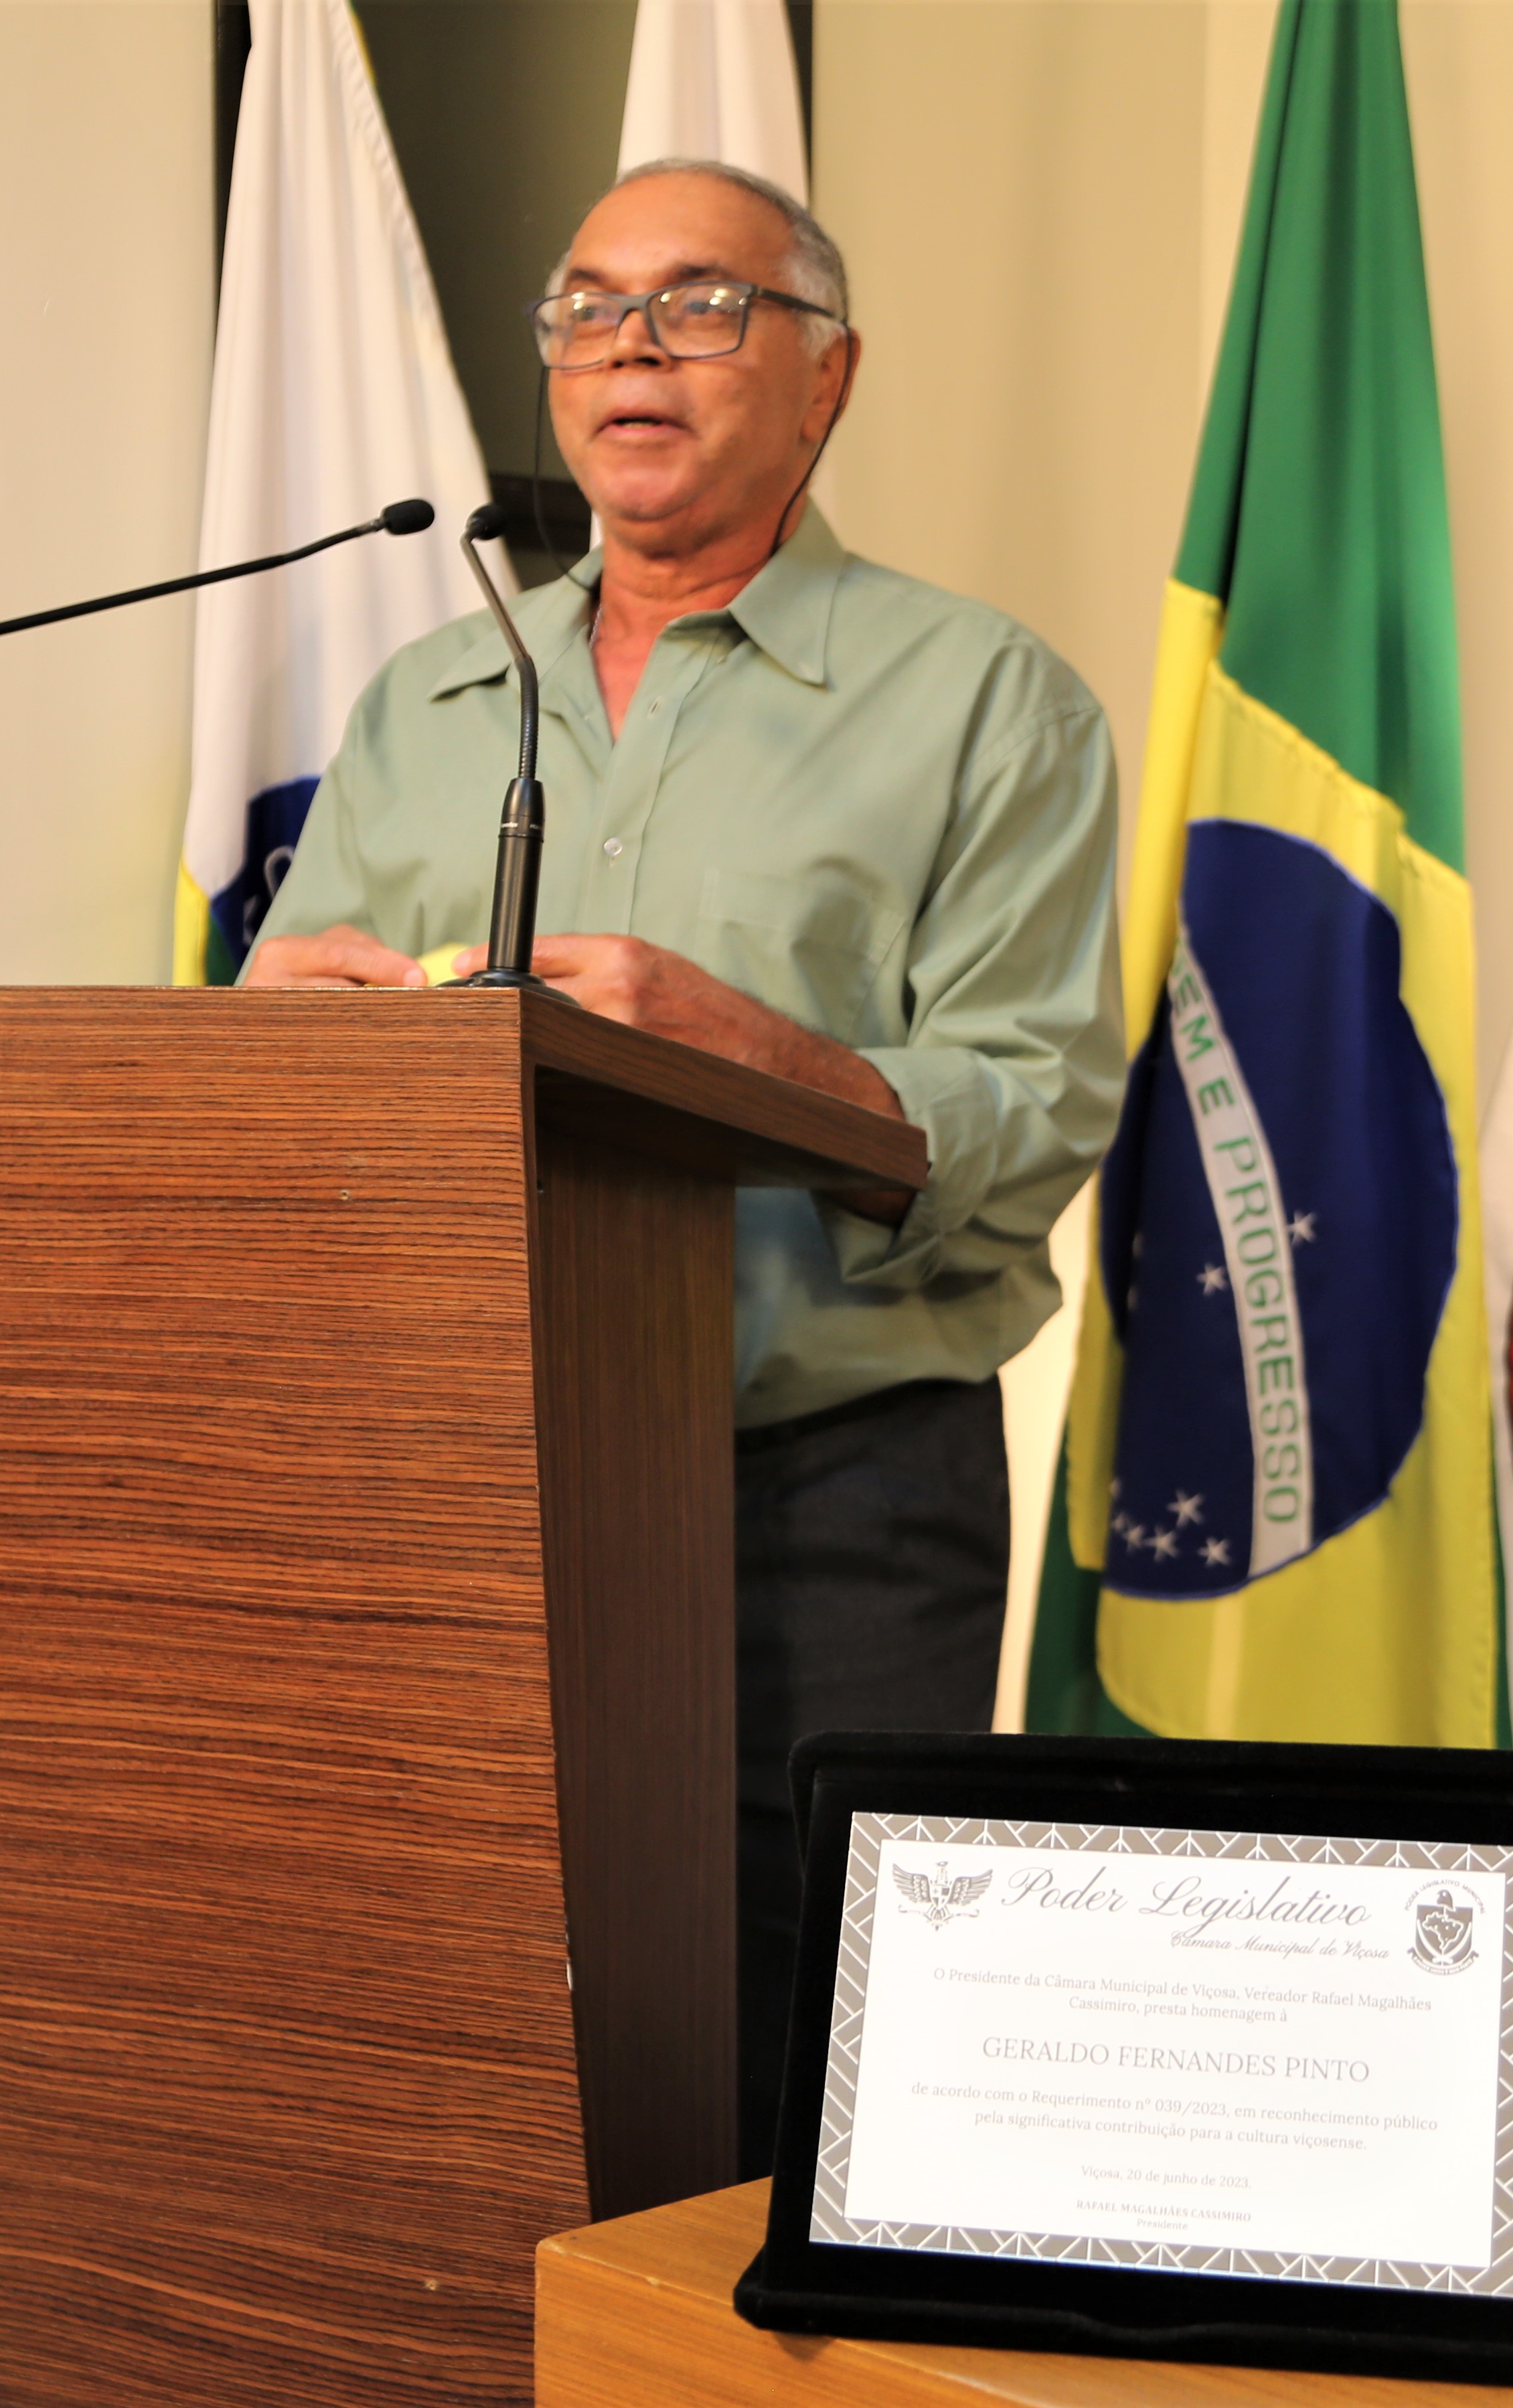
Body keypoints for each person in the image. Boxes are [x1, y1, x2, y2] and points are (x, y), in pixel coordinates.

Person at [245, 158, 1122, 2168]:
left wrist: (762, 1055)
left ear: (827, 377)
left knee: (805, 2075)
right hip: (456, 1487)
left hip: (822, 1494)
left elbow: (1032, 1105)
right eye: (588, 309)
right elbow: (305, 1089)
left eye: (700, 305)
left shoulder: (985, 700)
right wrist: (276, 1035)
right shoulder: (431, 698)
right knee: (447, 2046)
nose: (631, 348)